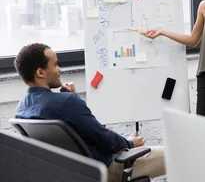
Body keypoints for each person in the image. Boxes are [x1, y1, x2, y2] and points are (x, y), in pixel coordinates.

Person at [13, 43, 165, 182]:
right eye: (55, 64)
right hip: (105, 168)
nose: (59, 70)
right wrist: (130, 143)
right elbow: (103, 138)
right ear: (40, 72)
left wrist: (71, 98)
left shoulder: (21, 109)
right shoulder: (65, 102)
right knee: (180, 153)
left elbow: (79, 134)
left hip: (71, 174)